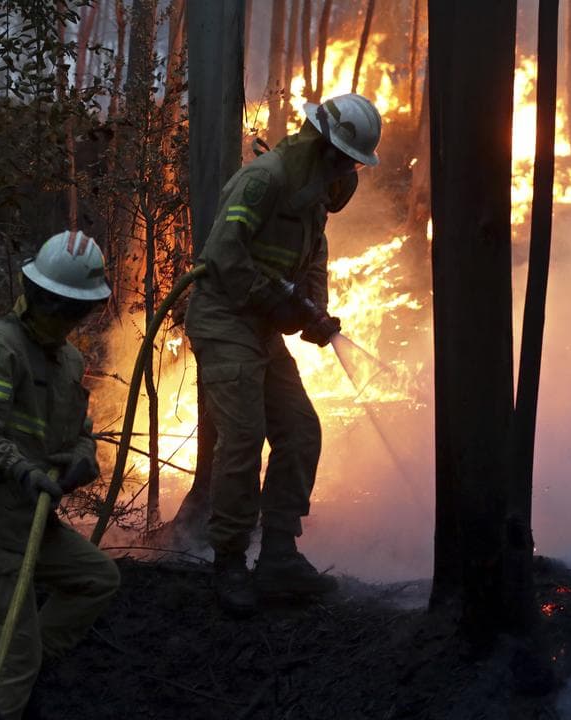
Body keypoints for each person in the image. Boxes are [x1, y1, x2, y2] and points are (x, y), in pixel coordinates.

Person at [183, 93, 381, 616]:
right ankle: (229, 562)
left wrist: (315, 312)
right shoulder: (264, 179)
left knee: (300, 431)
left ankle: (278, 556)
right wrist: (280, 301)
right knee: (244, 436)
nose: (346, 170)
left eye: (352, 162)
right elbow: (224, 255)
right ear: (320, 143)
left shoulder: (313, 199)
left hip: (263, 329)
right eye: (341, 156)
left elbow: (313, 264)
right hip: (224, 319)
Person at [0, 231, 119, 719]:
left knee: (97, 579)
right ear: (35, 294)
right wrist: (23, 472)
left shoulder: (70, 360)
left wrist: (83, 456)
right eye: (58, 305)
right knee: (11, 657)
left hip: (29, 517)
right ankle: (13, 670)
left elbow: (78, 431)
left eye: (76, 310)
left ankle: (28, 662)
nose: (66, 318)